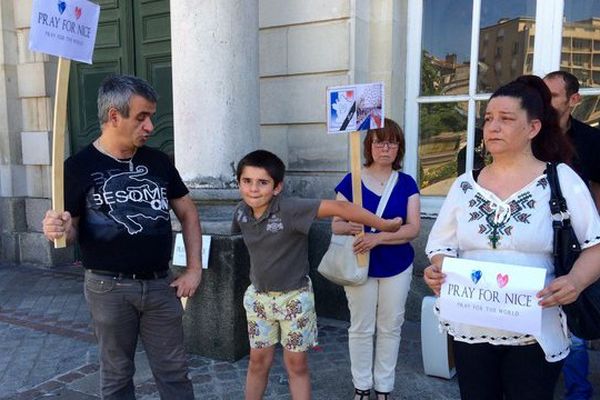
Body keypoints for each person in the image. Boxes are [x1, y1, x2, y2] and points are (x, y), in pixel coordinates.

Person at [423, 75, 600, 400]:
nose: (493, 127)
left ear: (533, 128)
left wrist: (575, 280)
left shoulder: (560, 179)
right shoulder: (465, 184)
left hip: (535, 333)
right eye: (489, 118)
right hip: (471, 328)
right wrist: (438, 269)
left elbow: (596, 246)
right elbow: (440, 245)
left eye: (506, 119)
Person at [42, 75, 201, 400]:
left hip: (160, 285)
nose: (150, 126)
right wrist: (57, 228)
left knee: (175, 373)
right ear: (114, 116)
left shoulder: (157, 162)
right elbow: (71, 229)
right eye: (142, 117)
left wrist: (194, 268)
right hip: (107, 288)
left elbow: (188, 213)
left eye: (152, 117)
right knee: (116, 376)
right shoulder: (76, 167)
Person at [231, 149, 402, 400]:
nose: (253, 189)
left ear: (277, 187)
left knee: (296, 365)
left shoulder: (290, 209)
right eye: (247, 181)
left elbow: (340, 207)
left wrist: (382, 225)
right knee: (257, 362)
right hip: (259, 300)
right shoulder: (240, 212)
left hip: (294, 300)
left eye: (263, 182)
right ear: (239, 183)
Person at [331, 119, 420, 400]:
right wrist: (355, 227)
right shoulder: (352, 180)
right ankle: (361, 386)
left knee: (390, 326)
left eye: (392, 142)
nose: (385, 147)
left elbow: (412, 228)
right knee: (361, 326)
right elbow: (335, 224)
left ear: (399, 148)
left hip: (397, 264)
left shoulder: (406, 183)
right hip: (361, 265)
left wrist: (377, 236)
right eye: (379, 141)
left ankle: (384, 387)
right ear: (369, 145)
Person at [544, 70, 600, 400]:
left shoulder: (591, 141)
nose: (545, 102)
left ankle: (578, 393)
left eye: (552, 96)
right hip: (536, 241)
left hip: (578, 245)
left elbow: (597, 188)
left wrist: (594, 237)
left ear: (573, 100)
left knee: (575, 326)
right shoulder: (533, 135)